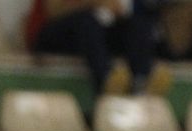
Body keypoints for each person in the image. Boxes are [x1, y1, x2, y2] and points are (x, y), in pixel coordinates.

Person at [26, 0, 169, 97]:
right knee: (87, 22)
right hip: (54, 35)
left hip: (94, 35)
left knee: (138, 24)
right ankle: (106, 80)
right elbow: (54, 10)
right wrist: (95, 2)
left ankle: (141, 80)